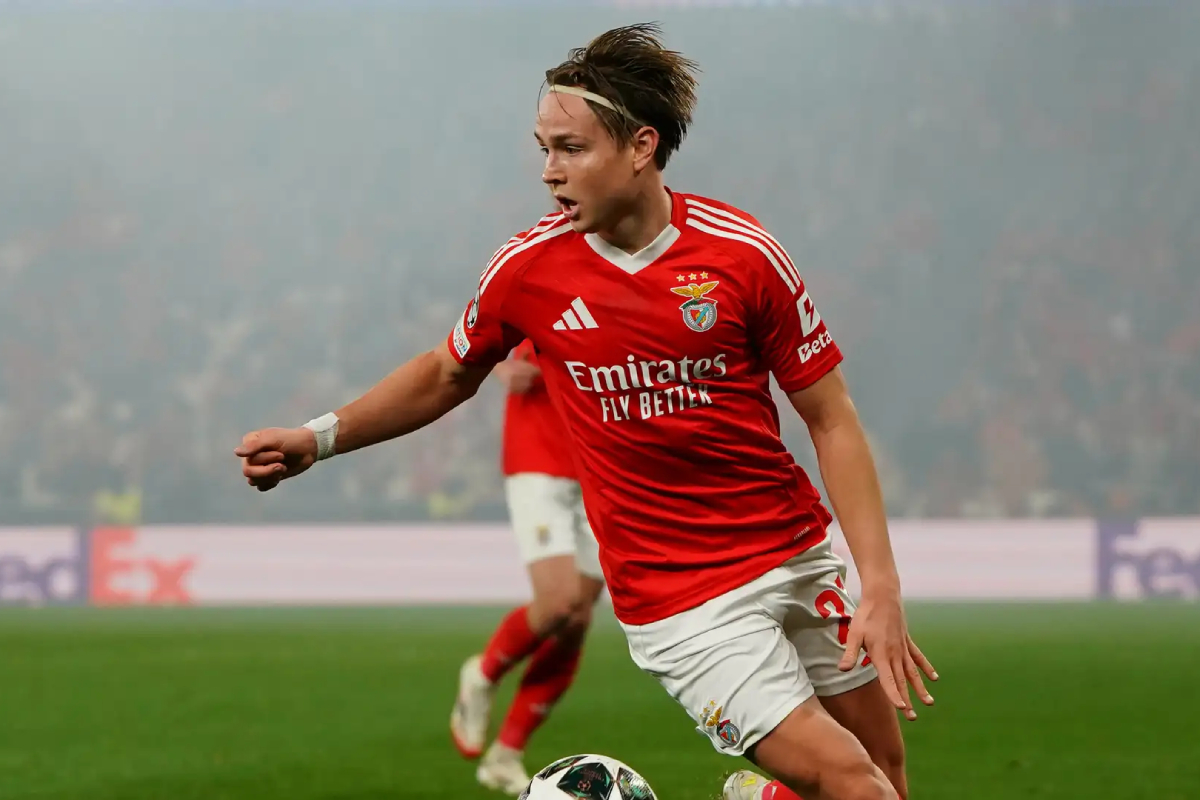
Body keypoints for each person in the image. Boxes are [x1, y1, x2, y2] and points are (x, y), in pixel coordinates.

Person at [236, 23, 937, 800]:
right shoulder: (528, 268)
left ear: (641, 147)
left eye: (570, 148)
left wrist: (880, 585)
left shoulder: (742, 254)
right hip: (681, 602)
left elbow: (831, 417)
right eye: (544, 148)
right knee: (852, 784)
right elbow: (445, 372)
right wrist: (318, 438)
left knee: (888, 778)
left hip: (793, 551)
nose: (549, 171)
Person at [452, 339, 605, 795]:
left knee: (576, 620)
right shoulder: (544, 293)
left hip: (600, 464)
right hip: (539, 458)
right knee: (558, 603)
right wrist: (502, 360)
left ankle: (506, 755)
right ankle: (483, 673)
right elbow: (491, 332)